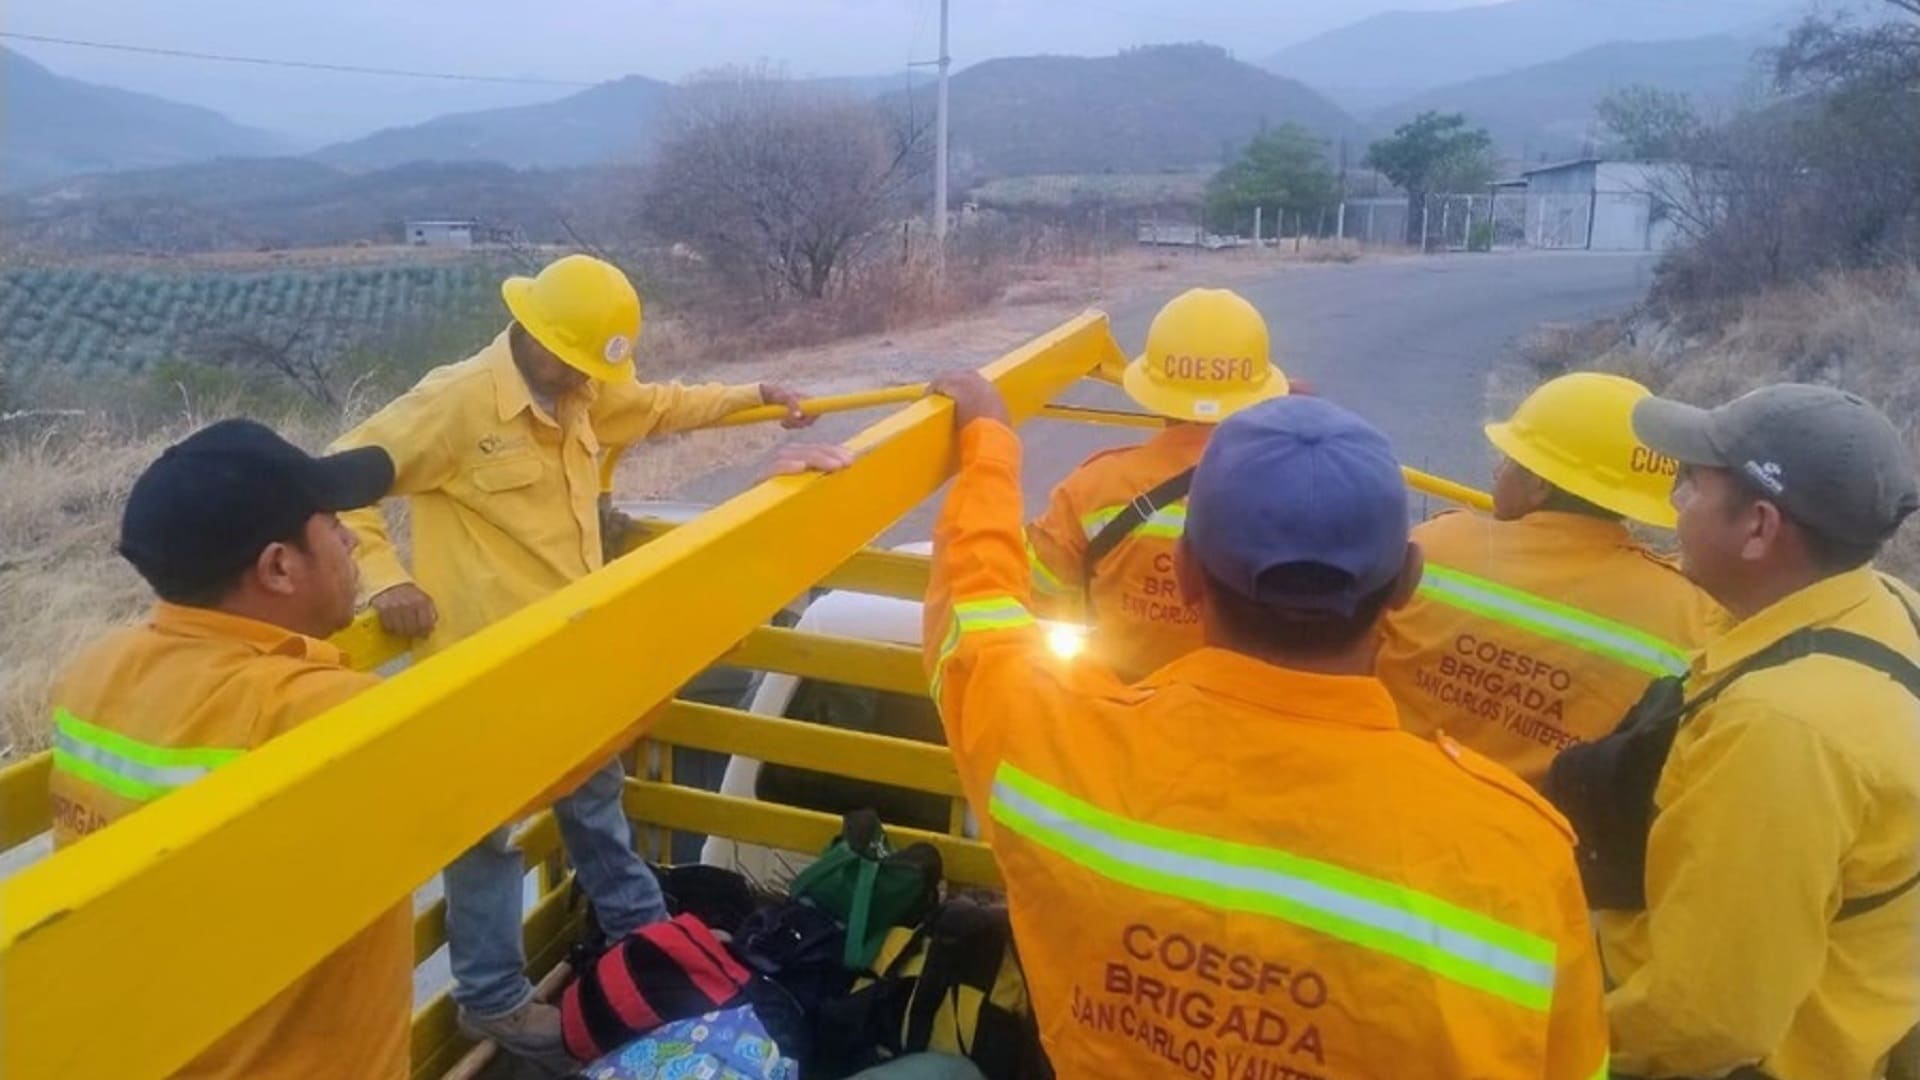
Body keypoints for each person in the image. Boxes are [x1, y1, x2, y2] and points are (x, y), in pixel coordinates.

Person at [776, 374, 1610, 1077]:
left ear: (1184, 571)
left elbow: (976, 613)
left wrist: (989, 441)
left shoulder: (1050, 750)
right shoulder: (1519, 857)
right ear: (1405, 584)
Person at [330, 253, 814, 1060]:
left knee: (595, 796)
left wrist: (752, 400)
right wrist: (384, 580)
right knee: (484, 836)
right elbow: (343, 479)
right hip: (484, 671)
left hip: (572, 659)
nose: (586, 383)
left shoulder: (578, 386)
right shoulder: (456, 403)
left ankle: (643, 939)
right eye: (578, 363)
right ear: (533, 334)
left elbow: (653, 406)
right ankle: (493, 1000)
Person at [1565, 385, 1920, 1080]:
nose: (1673, 503)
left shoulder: (1781, 732)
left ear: (1758, 528)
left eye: (1690, 482)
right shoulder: (1888, 607)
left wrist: (1541, 1042)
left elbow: (1704, 1019)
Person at [46, 419, 410, 1079]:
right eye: (332, 526)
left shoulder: (93, 673)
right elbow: (531, 778)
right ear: (278, 566)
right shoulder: (315, 711)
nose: (353, 538)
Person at [1375, 372, 1727, 785]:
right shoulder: (1691, 619)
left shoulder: (1434, 549)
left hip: (1390, 799)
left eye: (1509, 460)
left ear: (1539, 485)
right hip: (1544, 840)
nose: (1495, 471)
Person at [1024, 287, 1289, 682]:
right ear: (1258, 393)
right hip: (1240, 721)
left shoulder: (1093, 487)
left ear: (1154, 392)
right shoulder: (1291, 489)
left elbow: (1039, 596)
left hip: (1118, 713)